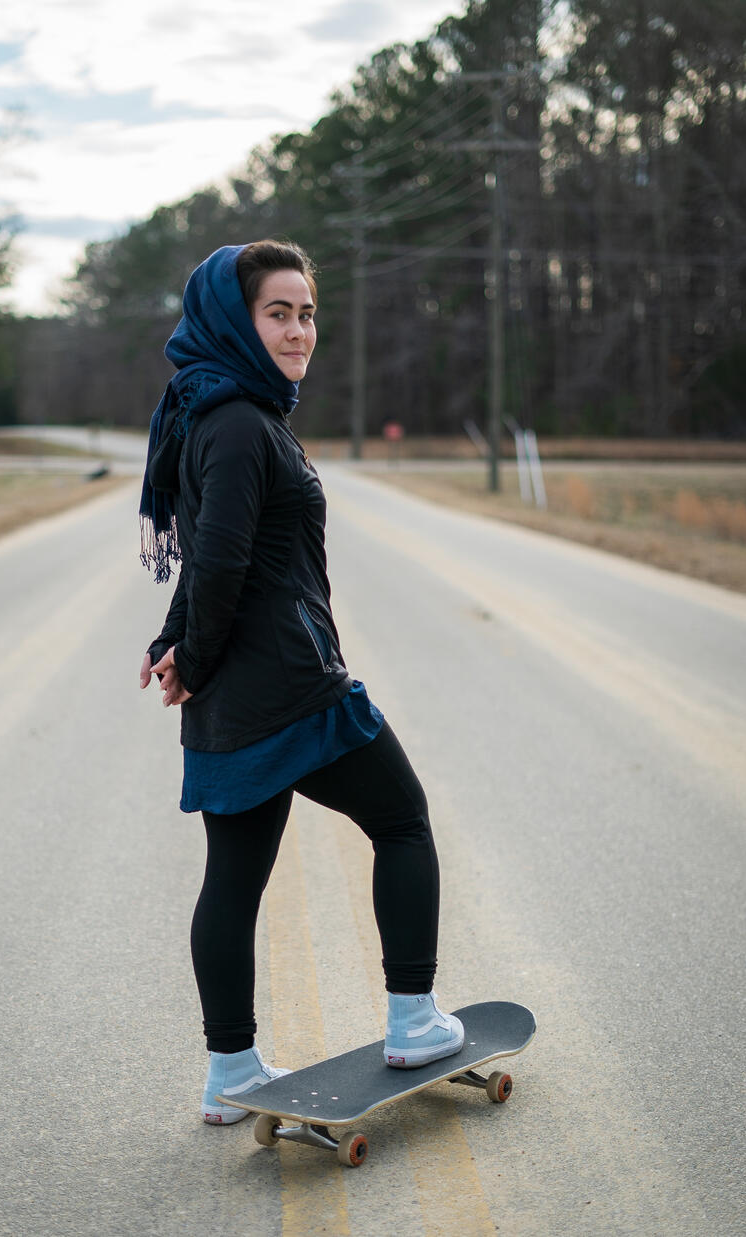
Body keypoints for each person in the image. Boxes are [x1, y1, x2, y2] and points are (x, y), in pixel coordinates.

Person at [138, 241, 464, 1125]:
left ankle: (231, 1074)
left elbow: (206, 550)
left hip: (236, 698)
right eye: (277, 312)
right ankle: (412, 1020)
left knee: (233, 882)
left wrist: (178, 646)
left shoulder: (221, 413)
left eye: (307, 311)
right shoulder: (244, 422)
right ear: (234, 320)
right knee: (402, 819)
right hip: (290, 690)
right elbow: (224, 560)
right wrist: (191, 653)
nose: (297, 328)